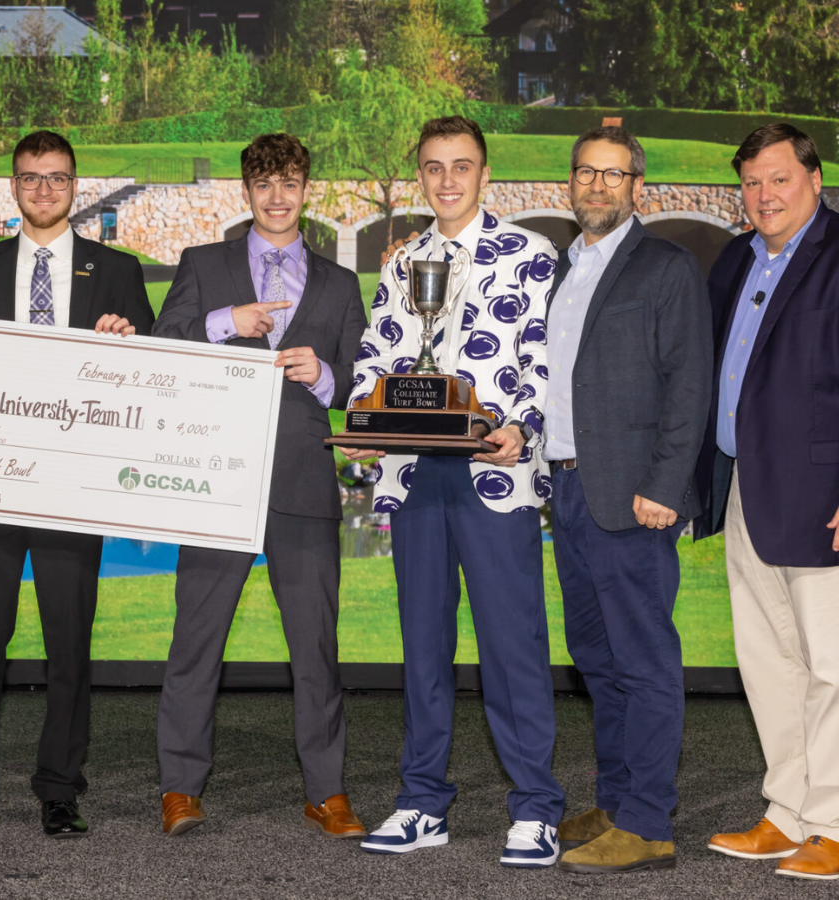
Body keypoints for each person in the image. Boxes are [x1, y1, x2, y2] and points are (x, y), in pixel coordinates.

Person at [346, 116, 563, 866]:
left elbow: (542, 357)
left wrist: (523, 427)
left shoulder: (530, 254)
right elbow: (380, 350)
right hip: (414, 472)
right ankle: (420, 802)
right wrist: (364, 416)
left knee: (513, 646)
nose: (446, 180)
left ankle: (536, 808)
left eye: (460, 167)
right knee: (424, 648)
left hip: (494, 471)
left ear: (483, 173)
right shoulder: (405, 259)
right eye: (433, 168)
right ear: (421, 175)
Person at [0, 130, 154, 839]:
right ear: (13, 183)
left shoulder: (117, 272)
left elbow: (151, 376)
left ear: (75, 185)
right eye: (31, 178)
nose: (44, 190)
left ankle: (61, 789)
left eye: (57, 178)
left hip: (72, 487)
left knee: (68, 646)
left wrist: (131, 339)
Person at [153, 132, 368, 839]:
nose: (278, 197)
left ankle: (327, 791)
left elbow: (362, 389)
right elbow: (162, 351)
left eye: (291, 183)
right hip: (216, 478)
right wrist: (225, 323)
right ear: (246, 192)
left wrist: (327, 377)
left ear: (307, 189)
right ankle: (181, 788)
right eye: (264, 184)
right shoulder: (204, 265)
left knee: (316, 648)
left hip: (303, 486)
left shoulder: (339, 285)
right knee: (196, 642)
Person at [540, 127, 711, 875]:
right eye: (586, 173)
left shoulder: (666, 267)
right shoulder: (562, 268)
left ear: (637, 185)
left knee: (643, 662)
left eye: (613, 176)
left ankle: (648, 825)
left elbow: (689, 386)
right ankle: (615, 801)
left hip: (634, 497)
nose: (598, 187)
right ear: (570, 183)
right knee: (597, 659)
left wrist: (666, 487)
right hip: (570, 489)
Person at [694, 123, 839, 881]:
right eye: (752, 182)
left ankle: (835, 822)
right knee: (769, 659)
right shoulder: (740, 258)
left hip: (823, 494)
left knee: (833, 664)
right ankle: (788, 814)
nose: (765, 196)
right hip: (748, 484)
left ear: (814, 178)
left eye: (779, 179)